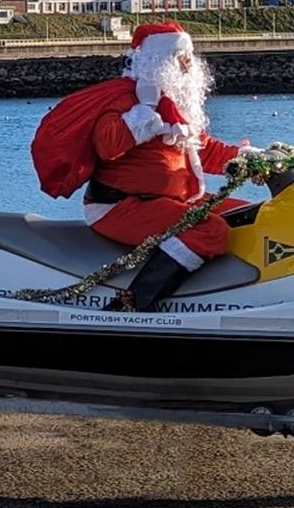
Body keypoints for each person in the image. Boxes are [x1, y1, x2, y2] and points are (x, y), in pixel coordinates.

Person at [77, 22, 264, 311]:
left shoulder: (175, 106)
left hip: (171, 200)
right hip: (120, 206)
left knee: (249, 214)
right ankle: (132, 303)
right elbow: (108, 145)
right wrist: (145, 112)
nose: (189, 64)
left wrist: (252, 158)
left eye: (189, 57)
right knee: (209, 229)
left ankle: (245, 292)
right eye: (181, 57)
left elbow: (206, 150)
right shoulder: (125, 99)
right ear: (158, 62)